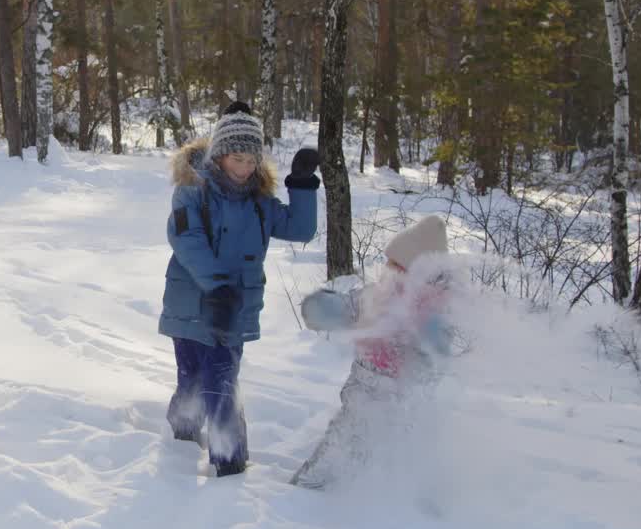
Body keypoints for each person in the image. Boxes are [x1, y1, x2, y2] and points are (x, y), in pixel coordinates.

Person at [159, 101, 320, 477]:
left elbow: (300, 229)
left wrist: (301, 184)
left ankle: (228, 462)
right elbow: (186, 239)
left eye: (252, 160)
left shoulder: (260, 202)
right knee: (193, 382)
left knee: (221, 384)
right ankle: (181, 440)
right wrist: (215, 286)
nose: (245, 168)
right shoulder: (192, 192)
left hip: (233, 311)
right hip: (192, 305)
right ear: (219, 155)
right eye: (237, 158)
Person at [290, 214, 453, 490]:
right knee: (340, 445)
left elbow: (437, 357)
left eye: (395, 265)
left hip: (401, 406)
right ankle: (311, 487)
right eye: (388, 263)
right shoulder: (375, 295)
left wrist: (433, 340)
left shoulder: (429, 314)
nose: (387, 270)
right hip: (361, 397)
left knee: (391, 456)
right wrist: (324, 308)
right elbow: (349, 307)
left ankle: (399, 498)